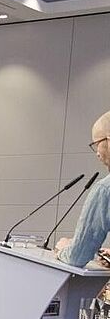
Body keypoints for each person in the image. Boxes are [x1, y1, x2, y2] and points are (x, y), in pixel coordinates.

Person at [56, 110, 110, 267]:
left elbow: (77, 256)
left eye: (96, 144)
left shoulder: (105, 190)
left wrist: (64, 248)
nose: (97, 154)